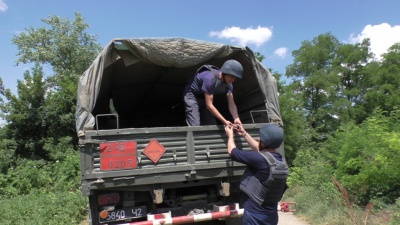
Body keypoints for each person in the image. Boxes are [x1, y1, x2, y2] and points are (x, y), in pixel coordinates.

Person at [224, 124, 289, 225]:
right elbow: (261, 151)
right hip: (271, 215)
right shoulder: (280, 160)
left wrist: (230, 135)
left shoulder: (258, 159)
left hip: (254, 216)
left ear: (264, 143)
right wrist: (244, 134)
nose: (258, 139)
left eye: (260, 138)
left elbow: (231, 151)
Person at [184, 59, 243, 127]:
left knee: (212, 124)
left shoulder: (229, 84)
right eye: (232, 76)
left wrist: (236, 118)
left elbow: (232, 104)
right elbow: (209, 105)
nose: (233, 80)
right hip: (192, 95)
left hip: (205, 97)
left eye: (235, 77)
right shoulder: (210, 78)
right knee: (194, 125)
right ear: (225, 73)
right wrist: (225, 121)